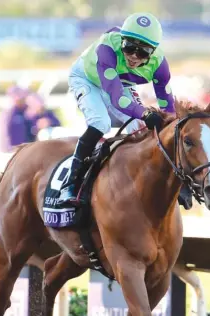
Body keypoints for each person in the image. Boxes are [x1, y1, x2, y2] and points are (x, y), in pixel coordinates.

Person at [57, 12, 176, 207]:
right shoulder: (107, 49)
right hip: (87, 79)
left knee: (139, 127)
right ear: (122, 41)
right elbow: (117, 98)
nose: (134, 57)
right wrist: (146, 113)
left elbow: (168, 105)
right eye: (129, 47)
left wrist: (171, 124)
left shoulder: (160, 65)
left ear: (153, 52)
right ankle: (70, 184)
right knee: (100, 123)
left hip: (120, 81)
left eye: (143, 52)